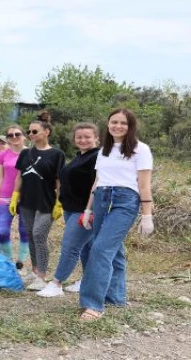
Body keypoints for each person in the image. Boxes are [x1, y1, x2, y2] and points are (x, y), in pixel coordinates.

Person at [78, 108, 154, 321]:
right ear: (108, 124)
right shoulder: (104, 150)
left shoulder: (141, 149)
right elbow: (97, 181)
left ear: (131, 126)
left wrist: (147, 215)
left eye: (123, 123)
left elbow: (144, 185)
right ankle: (115, 297)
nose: (118, 126)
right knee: (115, 251)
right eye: (114, 122)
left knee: (100, 249)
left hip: (125, 201)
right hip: (102, 198)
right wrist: (88, 209)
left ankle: (93, 304)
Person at [38, 122, 99, 297]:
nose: (83, 140)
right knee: (85, 246)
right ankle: (87, 280)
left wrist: (91, 210)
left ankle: (56, 283)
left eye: (87, 136)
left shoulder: (97, 157)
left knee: (70, 246)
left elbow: (98, 185)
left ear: (96, 138)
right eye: (79, 137)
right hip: (70, 208)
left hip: (85, 210)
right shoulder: (80, 156)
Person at [10, 112, 66, 291]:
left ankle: (42, 275)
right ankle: (35, 271)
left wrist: (60, 200)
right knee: (30, 236)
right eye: (29, 132)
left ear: (46, 132)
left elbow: (59, 180)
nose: (31, 135)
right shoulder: (25, 153)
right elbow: (19, 175)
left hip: (46, 201)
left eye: (35, 131)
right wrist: (14, 196)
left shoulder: (57, 154)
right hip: (27, 201)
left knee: (39, 235)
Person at [0, 125, 29, 264]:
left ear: (24, 136)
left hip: (26, 197)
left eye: (17, 134)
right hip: (6, 197)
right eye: (10, 135)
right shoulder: (3, 155)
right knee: (2, 230)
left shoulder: (31, 153)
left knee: (24, 230)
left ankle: (21, 262)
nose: (14, 137)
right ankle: (7, 260)